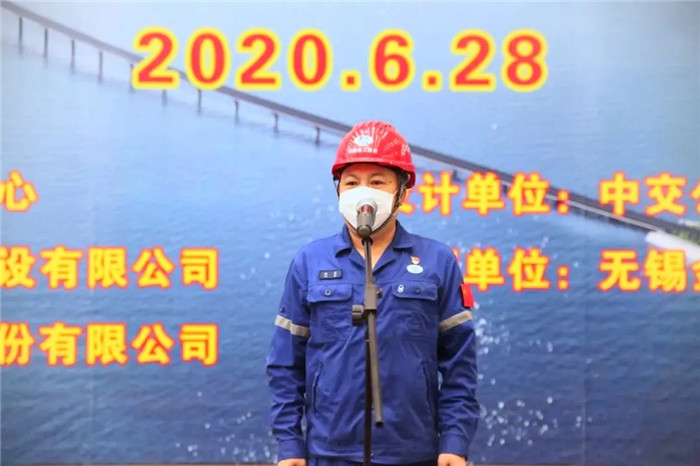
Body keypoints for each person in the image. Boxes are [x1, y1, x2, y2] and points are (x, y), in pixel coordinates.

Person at [265, 120, 479, 466]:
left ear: (402, 192)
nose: (363, 193)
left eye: (377, 182)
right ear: (339, 191)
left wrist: (455, 441)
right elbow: (286, 364)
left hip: (413, 453)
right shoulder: (309, 261)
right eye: (352, 182)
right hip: (329, 453)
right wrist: (290, 444)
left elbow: (460, 365)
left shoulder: (437, 260)